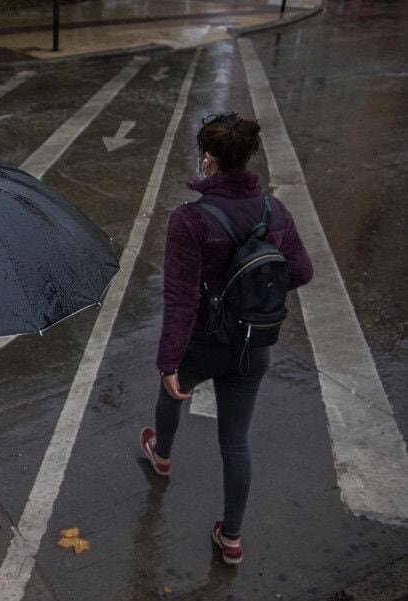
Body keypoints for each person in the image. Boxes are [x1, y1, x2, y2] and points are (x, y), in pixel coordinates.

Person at [139, 112, 313, 565]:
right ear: (248, 157)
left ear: (208, 160)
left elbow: (179, 299)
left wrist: (169, 363)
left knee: (172, 393)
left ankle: (162, 454)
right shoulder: (276, 211)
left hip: (201, 342)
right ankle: (231, 537)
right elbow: (301, 272)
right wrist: (250, 293)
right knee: (236, 441)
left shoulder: (190, 220)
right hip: (253, 345)